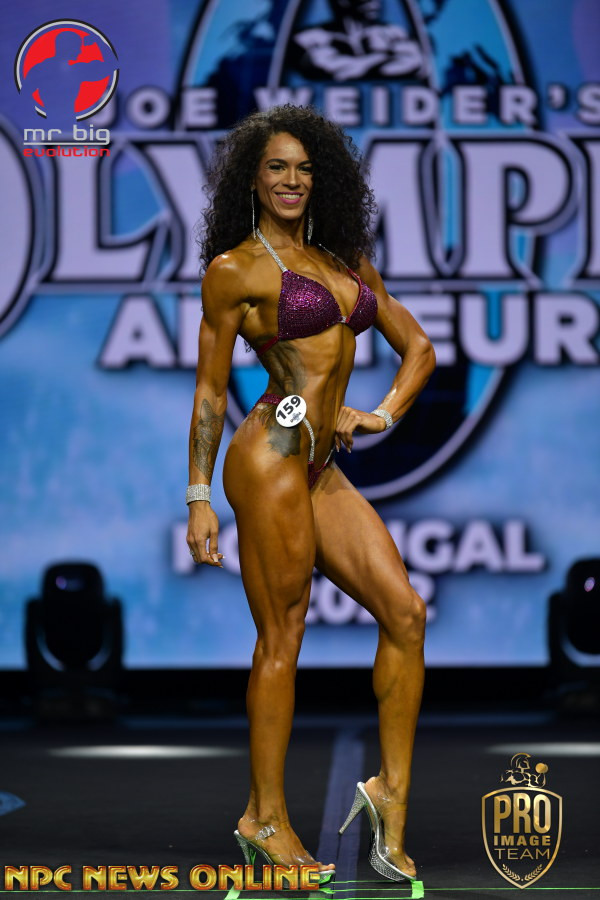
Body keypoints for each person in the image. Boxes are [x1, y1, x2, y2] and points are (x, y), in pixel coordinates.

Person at [186, 104, 435, 883]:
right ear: (252, 181)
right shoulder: (235, 270)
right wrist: (198, 496)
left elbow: (419, 348)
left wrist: (381, 413)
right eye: (276, 168)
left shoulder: (344, 258)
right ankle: (264, 817)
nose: (291, 180)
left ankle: (389, 796)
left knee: (405, 614)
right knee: (283, 637)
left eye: (303, 168)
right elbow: (209, 392)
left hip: (320, 465)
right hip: (268, 458)